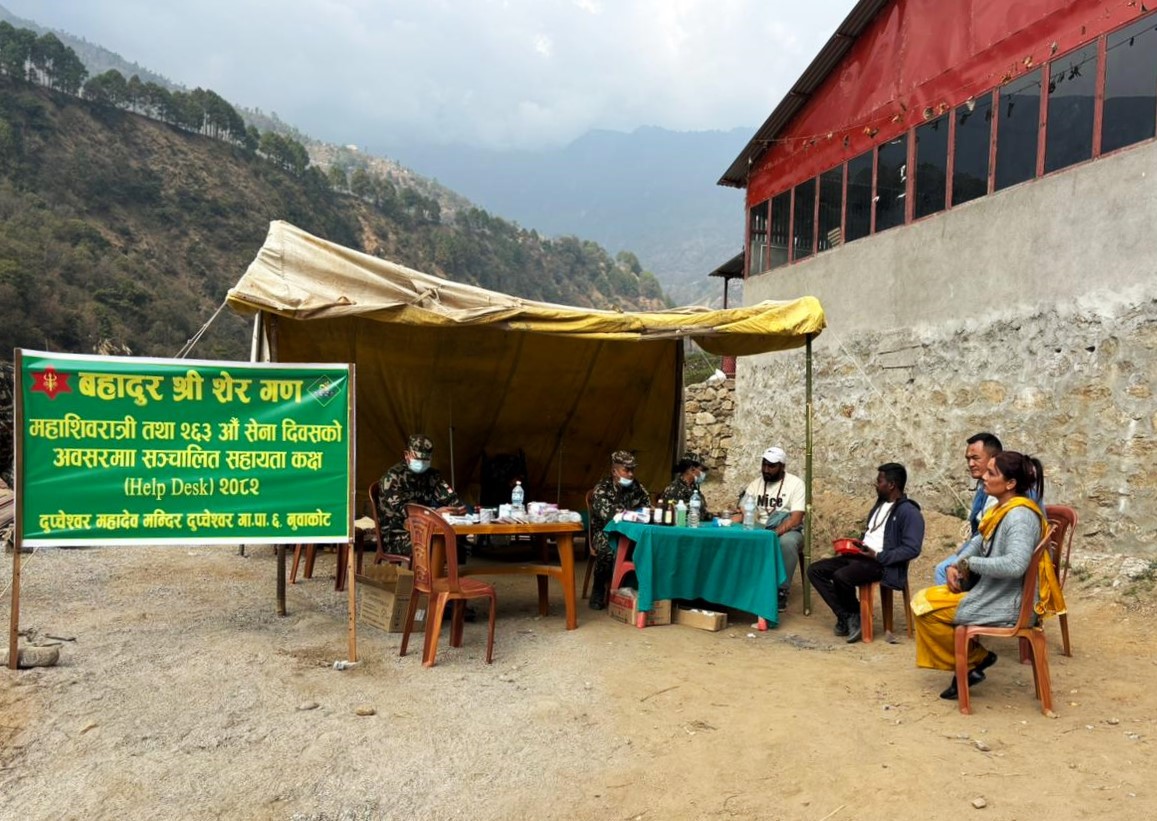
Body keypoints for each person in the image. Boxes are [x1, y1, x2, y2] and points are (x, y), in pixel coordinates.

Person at [912, 451, 1047, 700]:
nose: (983, 476)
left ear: (1010, 484)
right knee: (922, 600)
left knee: (925, 609)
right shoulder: (1001, 509)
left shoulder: (1019, 517)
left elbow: (1016, 564)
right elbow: (979, 541)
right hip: (992, 594)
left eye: (991, 473)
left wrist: (972, 564)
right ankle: (974, 662)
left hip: (1009, 604)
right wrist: (959, 564)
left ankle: (974, 661)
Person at [807, 463, 924, 643]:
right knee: (814, 570)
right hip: (859, 556)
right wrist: (854, 545)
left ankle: (854, 615)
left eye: (879, 481)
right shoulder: (879, 505)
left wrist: (878, 555)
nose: (875, 485)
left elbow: (912, 549)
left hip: (880, 563)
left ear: (891, 485)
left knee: (841, 576)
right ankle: (848, 615)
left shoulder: (909, 511)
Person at [737, 446, 805, 611]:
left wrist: (773, 533)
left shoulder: (796, 484)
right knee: (739, 535)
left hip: (788, 529)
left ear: (782, 466)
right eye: (764, 464)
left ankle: (781, 591)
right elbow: (744, 509)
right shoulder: (756, 483)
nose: (766, 470)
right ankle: (743, 587)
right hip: (761, 526)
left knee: (787, 543)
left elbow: (796, 518)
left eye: (771, 466)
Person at [376, 433, 465, 558]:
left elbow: (452, 499)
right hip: (397, 535)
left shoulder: (431, 476)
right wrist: (434, 512)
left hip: (425, 529)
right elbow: (401, 510)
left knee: (457, 549)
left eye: (426, 460)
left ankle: (441, 577)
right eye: (418, 459)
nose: (422, 463)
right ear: (407, 455)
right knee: (436, 546)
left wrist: (457, 509)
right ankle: (429, 577)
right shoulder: (393, 478)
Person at [933, 432, 1002, 585]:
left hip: (993, 557)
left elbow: (990, 538)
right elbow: (981, 535)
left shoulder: (1002, 491)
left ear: (993, 459)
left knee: (943, 571)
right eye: (968, 459)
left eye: (975, 458)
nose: (970, 464)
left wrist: (965, 563)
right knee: (946, 567)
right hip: (983, 549)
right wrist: (960, 559)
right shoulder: (983, 485)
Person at [588, 450, 652, 610]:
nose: (631, 474)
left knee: (651, 544)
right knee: (607, 548)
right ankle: (598, 587)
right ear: (614, 471)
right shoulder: (602, 489)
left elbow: (648, 506)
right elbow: (609, 517)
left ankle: (642, 591)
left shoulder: (636, 486)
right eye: (626, 470)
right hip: (606, 532)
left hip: (632, 532)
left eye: (632, 470)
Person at [660, 453, 711, 519]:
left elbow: (702, 510)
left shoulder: (694, 489)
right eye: (701, 470)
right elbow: (678, 514)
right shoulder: (674, 489)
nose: (702, 474)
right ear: (692, 469)